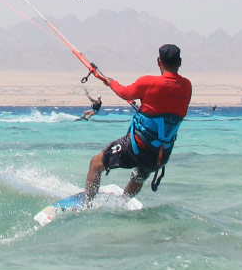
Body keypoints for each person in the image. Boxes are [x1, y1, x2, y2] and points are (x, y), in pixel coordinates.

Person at [82, 43, 191, 202]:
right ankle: (123, 203)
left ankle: (87, 205)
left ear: (158, 61)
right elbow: (164, 105)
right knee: (139, 175)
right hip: (160, 156)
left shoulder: (148, 82)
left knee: (95, 164)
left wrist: (111, 82)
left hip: (137, 148)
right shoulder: (186, 86)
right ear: (179, 62)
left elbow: (124, 92)